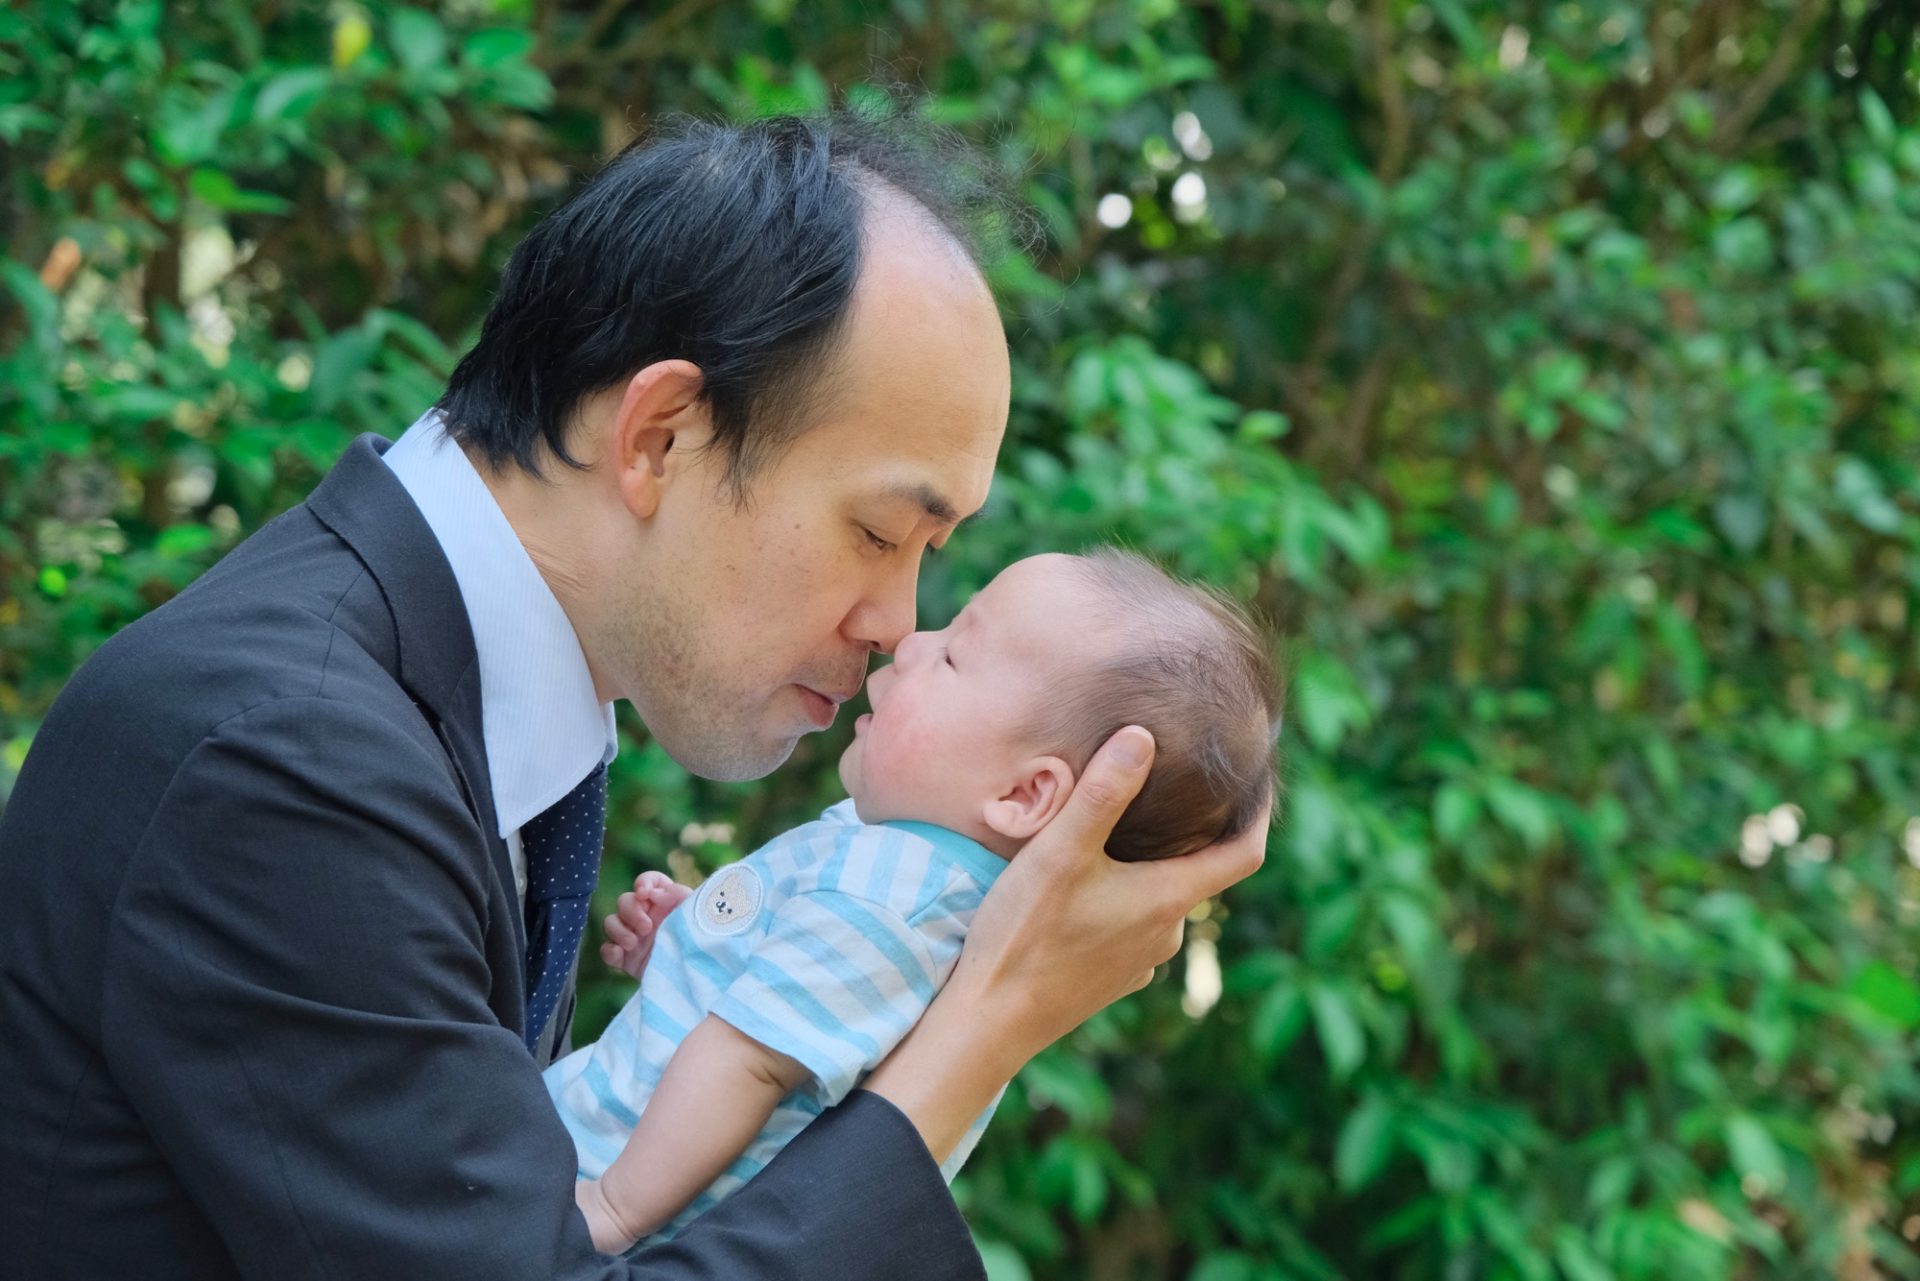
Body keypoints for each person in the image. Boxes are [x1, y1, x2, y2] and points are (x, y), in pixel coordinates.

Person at [0, 112, 1267, 1280]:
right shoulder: (286, 760)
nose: (897, 627)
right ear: (661, 435)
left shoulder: (450, 690)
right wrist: (980, 1033)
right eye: (884, 532)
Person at [553, 550, 1281, 1253]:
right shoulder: (916, 879)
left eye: (955, 655)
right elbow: (785, 1022)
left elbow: (748, 1062)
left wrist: (614, 1207)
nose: (910, 644)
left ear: (1024, 795)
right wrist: (705, 937)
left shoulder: (889, 903)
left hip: (596, 1192)